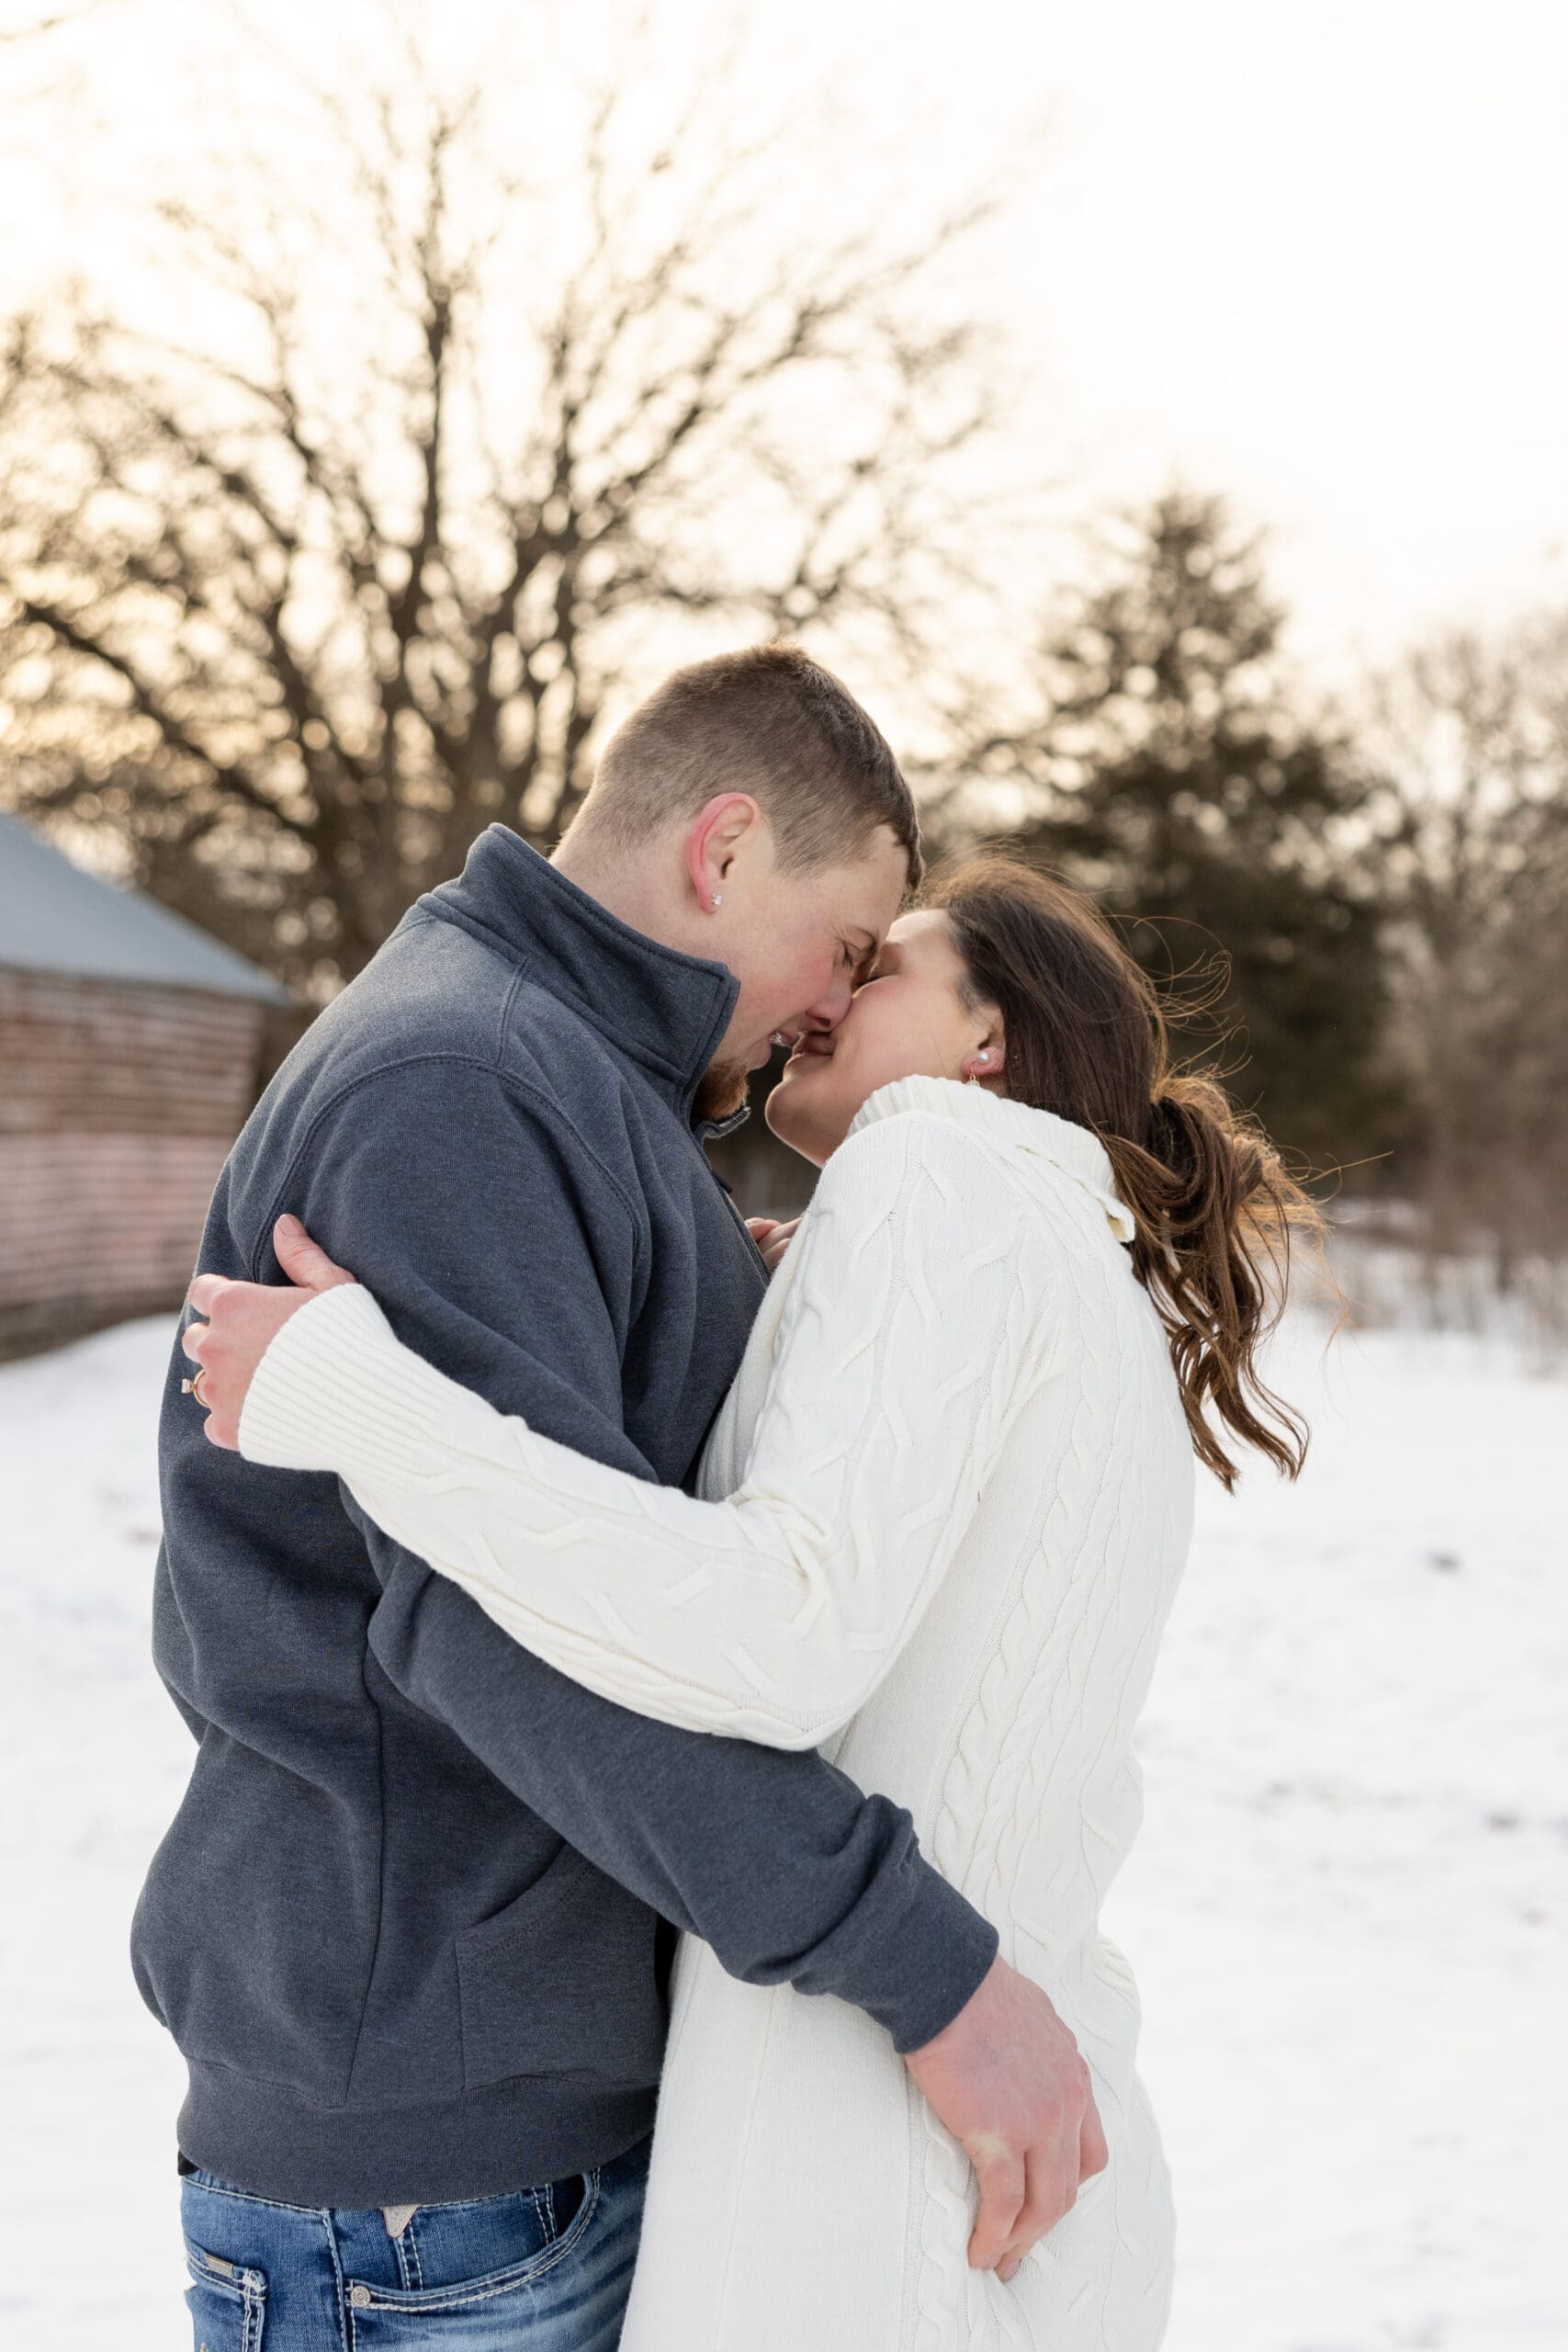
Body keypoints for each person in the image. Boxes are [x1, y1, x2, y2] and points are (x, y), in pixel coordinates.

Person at [184, 849, 1324, 2349]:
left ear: (987, 1046)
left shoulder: (935, 1168)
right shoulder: (1078, 1261)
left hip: (865, 2147)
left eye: (884, 963)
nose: (831, 995)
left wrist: (368, 1403)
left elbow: (786, 1627)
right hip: (1007, 2131)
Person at [135, 646, 1105, 2352]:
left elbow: (600, 1497)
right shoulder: (463, 1089)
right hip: (432, 2187)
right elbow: (513, 1635)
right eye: (850, 947)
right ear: (724, 852)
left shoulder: (570, 1084)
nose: (832, 1002)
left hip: (509, 2126)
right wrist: (931, 1975)